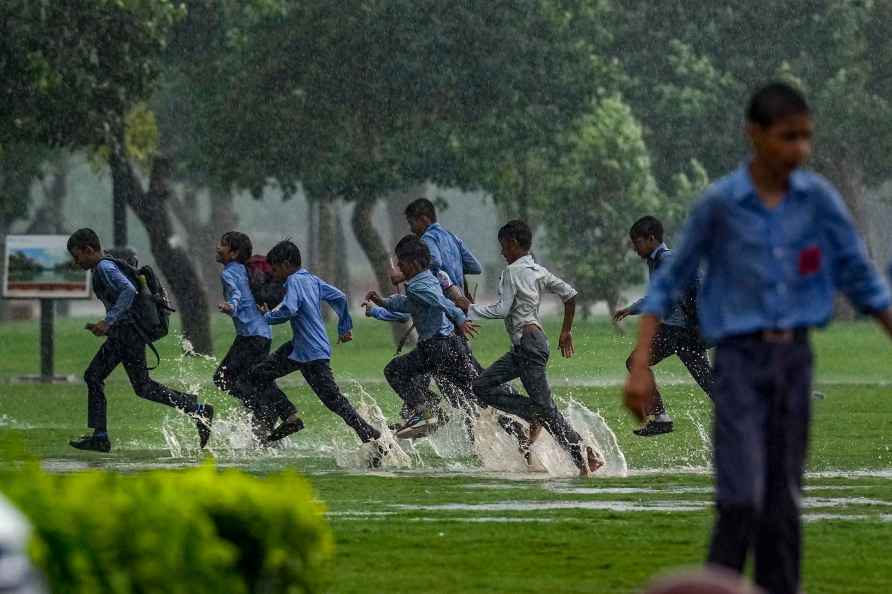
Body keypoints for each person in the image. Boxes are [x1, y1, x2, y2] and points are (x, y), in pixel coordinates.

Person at [624, 82, 892, 594]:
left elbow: (864, 282)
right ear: (754, 135)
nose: (800, 150)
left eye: (806, 137)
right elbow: (668, 283)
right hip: (740, 361)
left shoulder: (818, 202)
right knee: (740, 498)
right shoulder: (721, 205)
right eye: (788, 137)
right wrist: (640, 368)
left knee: (782, 504)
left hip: (792, 360)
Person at [470, 220, 602, 476]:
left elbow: (501, 309)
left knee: (545, 409)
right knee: (481, 385)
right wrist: (565, 331)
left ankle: (584, 456)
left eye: (504, 246)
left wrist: (470, 309)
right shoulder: (537, 270)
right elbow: (570, 295)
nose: (502, 252)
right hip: (527, 347)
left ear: (514, 243)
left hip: (529, 348)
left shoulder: (511, 272)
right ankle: (539, 417)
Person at [238, 240, 386, 465]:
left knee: (334, 400)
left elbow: (290, 308)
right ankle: (290, 416)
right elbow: (340, 297)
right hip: (301, 347)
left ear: (286, 265)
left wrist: (267, 317)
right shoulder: (311, 279)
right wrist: (344, 326)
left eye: (275, 269)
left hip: (311, 353)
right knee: (258, 374)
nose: (274, 275)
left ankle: (373, 437)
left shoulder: (294, 281)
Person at [67, 228, 213, 452]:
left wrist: (108, 321)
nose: (76, 262)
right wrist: (108, 325)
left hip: (127, 334)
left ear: (88, 250)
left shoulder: (104, 267)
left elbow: (128, 291)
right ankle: (196, 408)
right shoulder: (105, 265)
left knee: (100, 377)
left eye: (77, 256)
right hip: (124, 334)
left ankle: (101, 436)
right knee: (137, 386)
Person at [366, 235, 480, 439]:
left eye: (401, 263)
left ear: (414, 262)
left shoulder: (419, 286)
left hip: (434, 348)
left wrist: (460, 318)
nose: (399, 268)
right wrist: (382, 303)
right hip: (450, 346)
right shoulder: (428, 279)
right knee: (475, 392)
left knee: (394, 371)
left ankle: (427, 414)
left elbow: (439, 302)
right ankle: (511, 415)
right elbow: (408, 305)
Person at [614, 215, 713, 436]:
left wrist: (697, 322)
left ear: (651, 239)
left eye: (637, 243)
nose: (635, 249)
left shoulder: (667, 260)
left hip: (680, 331)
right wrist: (632, 308)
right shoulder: (657, 262)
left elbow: (696, 285)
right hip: (678, 331)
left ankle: (661, 417)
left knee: (636, 363)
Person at [212, 231, 275, 436]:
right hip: (262, 335)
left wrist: (231, 306)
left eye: (222, 244)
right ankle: (264, 425)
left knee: (223, 379)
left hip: (251, 336)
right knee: (252, 380)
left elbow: (237, 294)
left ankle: (263, 411)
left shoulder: (229, 273)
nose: (217, 247)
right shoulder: (245, 269)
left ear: (234, 252)